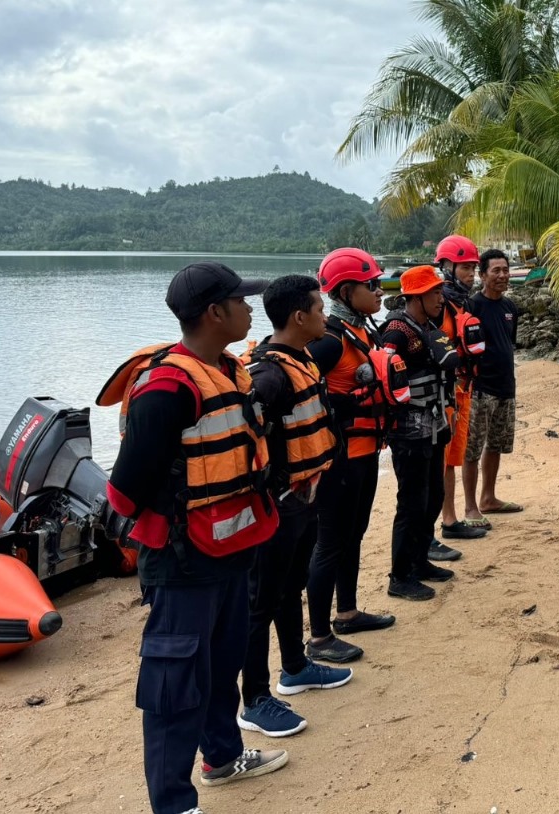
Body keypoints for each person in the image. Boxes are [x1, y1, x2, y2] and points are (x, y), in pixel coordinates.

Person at [97, 261, 287, 814]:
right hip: (181, 559)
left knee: (220, 664)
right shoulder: (166, 387)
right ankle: (174, 804)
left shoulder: (228, 370)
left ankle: (223, 757)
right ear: (214, 312)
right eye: (241, 301)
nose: (250, 309)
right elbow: (125, 489)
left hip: (230, 546)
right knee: (174, 683)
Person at [239, 275, 353, 738]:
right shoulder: (268, 375)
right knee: (259, 603)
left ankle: (295, 668)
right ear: (298, 317)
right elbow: (245, 444)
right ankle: (254, 700)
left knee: (290, 589)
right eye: (320, 309)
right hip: (278, 505)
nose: (326, 317)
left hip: (304, 500)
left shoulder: (301, 357)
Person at [303, 248, 402, 663]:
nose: (380, 291)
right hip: (339, 458)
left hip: (365, 452)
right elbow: (300, 389)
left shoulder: (364, 330)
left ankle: (348, 612)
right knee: (329, 543)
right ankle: (320, 638)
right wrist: (339, 406)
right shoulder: (327, 341)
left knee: (354, 534)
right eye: (372, 285)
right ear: (346, 290)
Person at [381, 265, 459, 601]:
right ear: (415, 297)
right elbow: (386, 380)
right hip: (410, 431)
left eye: (440, 292)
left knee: (434, 496)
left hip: (435, 423)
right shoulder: (396, 332)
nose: (441, 299)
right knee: (411, 503)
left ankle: (420, 559)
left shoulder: (427, 326)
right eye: (435, 293)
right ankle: (400, 576)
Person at [462, 249, 524, 521]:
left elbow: (508, 343)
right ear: (482, 274)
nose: (502, 275)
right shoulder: (472, 306)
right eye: (496, 270)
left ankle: (488, 498)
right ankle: (470, 507)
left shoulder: (510, 308)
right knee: (472, 449)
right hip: (480, 388)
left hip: (505, 387)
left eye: (506, 270)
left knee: (496, 444)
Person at [435, 235, 488, 547]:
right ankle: (441, 522)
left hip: (462, 390)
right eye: (466, 266)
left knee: (452, 458)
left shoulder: (461, 303)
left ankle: (451, 519)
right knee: (439, 461)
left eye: (473, 266)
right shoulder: (437, 304)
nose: (471, 272)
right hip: (444, 395)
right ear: (446, 266)